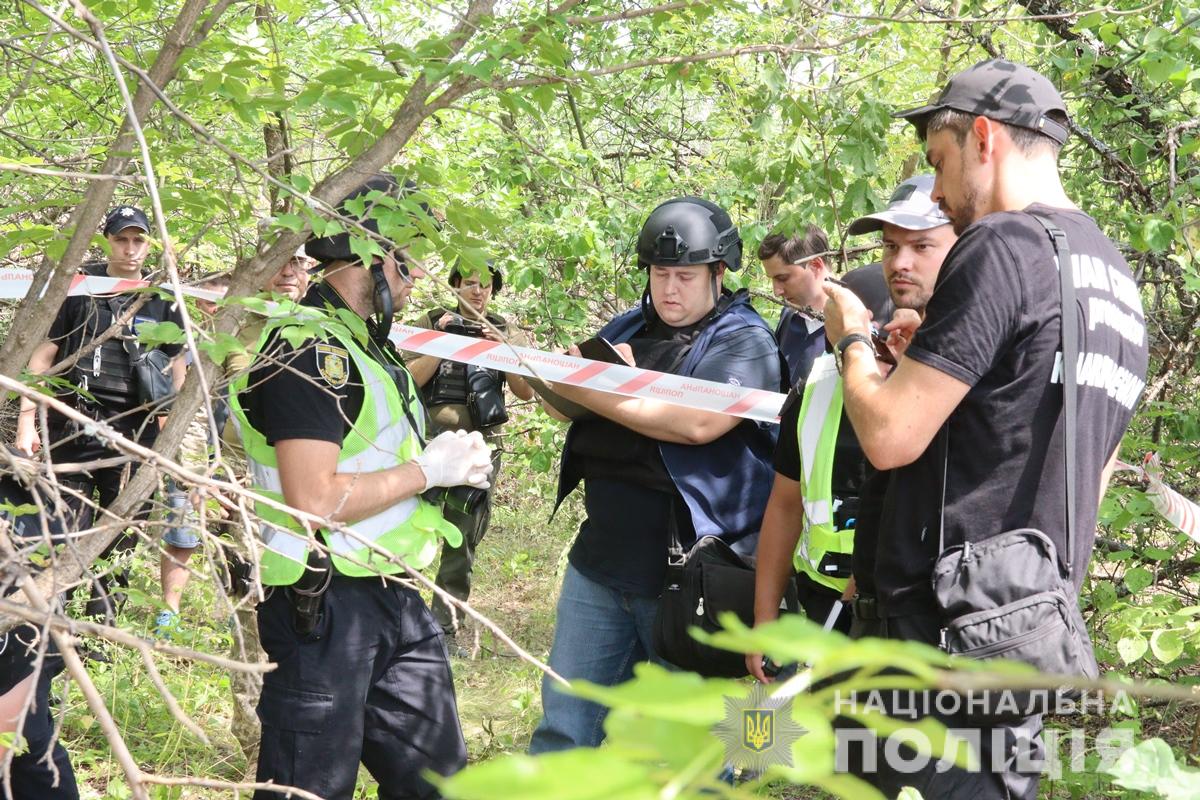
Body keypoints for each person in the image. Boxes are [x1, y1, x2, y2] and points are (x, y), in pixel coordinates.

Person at [822, 59, 1150, 798]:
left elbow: (889, 436)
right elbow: (1081, 461)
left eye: (939, 164)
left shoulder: (1003, 246)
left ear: (985, 138)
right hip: (1023, 633)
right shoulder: (1112, 276)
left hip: (938, 641)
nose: (937, 192)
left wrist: (849, 340)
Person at [228, 175, 485, 799]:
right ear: (377, 256)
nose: (418, 276)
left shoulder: (365, 344)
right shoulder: (309, 349)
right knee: (310, 788)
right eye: (410, 261)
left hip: (395, 595)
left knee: (442, 785)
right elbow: (313, 500)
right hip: (324, 606)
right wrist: (429, 472)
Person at [528, 196, 782, 754]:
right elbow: (563, 404)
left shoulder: (744, 340)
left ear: (718, 273)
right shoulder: (629, 324)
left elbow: (696, 424)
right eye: (660, 274)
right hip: (600, 563)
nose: (670, 289)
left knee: (688, 751)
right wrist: (543, 372)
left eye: (685, 276)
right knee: (565, 728)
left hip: (691, 578)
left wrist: (595, 385)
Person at [747, 175, 956, 684]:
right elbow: (784, 503)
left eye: (892, 343)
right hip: (822, 603)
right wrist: (765, 618)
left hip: (916, 615)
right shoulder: (815, 389)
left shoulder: (944, 396)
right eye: (870, 345)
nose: (880, 359)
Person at [13, 205, 186, 626]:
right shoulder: (78, 288)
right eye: (121, 239)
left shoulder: (164, 297)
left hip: (134, 430)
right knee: (61, 524)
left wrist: (171, 427)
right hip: (71, 422)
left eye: (138, 240)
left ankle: (101, 628)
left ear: (150, 244)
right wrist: (26, 424)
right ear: (107, 240)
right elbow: (42, 358)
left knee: (122, 528)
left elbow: (178, 364)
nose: (130, 248)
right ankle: (51, 618)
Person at [404, 262, 533, 648]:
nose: (478, 292)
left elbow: (526, 393)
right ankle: (399, 616)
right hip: (427, 442)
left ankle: (444, 628)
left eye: (486, 286)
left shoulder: (506, 331)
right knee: (410, 529)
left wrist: (502, 349)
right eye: (470, 284)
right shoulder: (429, 322)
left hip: (480, 447)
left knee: (462, 539)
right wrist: (443, 341)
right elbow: (407, 380)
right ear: (455, 286)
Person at [758, 225, 839, 387]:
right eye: (772, 279)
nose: (776, 291)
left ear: (816, 265)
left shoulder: (853, 323)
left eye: (783, 278)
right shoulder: (789, 316)